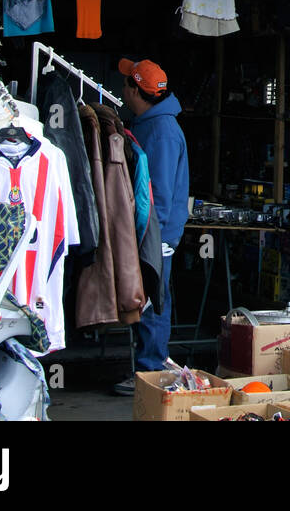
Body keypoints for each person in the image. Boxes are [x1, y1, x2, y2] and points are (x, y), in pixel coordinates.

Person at [114, 58, 189, 394]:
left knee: (152, 302)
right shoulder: (149, 123)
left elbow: (159, 191)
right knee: (147, 299)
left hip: (155, 233)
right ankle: (150, 367)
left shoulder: (162, 131)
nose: (121, 89)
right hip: (149, 231)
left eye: (126, 84)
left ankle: (151, 371)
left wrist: (153, 239)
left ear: (135, 90)